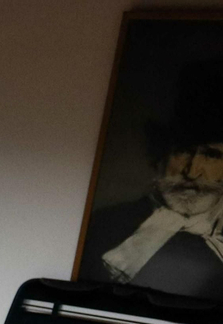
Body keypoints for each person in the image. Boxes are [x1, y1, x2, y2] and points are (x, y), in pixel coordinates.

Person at [79, 61, 223, 300]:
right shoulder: (103, 226)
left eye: (211, 155)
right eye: (182, 151)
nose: (192, 171)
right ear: (159, 156)